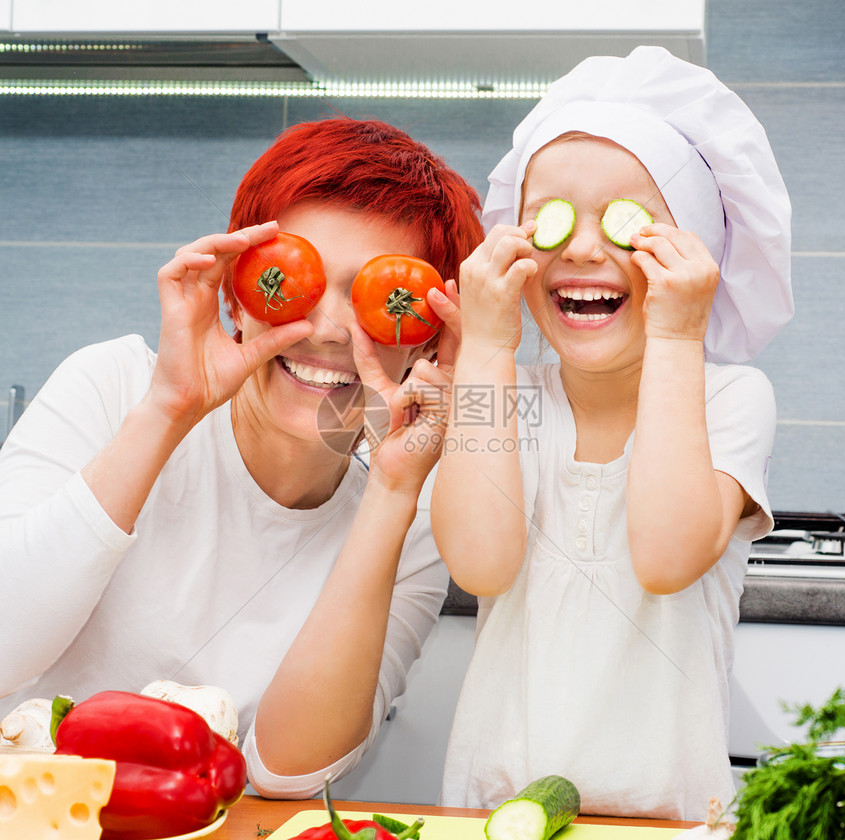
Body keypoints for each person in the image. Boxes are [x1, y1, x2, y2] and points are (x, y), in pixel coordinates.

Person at [0, 117, 483, 797]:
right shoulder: (112, 389)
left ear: (429, 346)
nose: (328, 330)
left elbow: (289, 772)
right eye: (292, 279)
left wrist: (397, 491)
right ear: (236, 290)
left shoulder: (409, 525)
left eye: (383, 300)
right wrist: (168, 410)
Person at [432, 47, 794, 820]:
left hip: (667, 817)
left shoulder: (730, 396)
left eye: (627, 221)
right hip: (492, 810)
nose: (584, 246)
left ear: (692, 250)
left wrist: (677, 336)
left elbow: (666, 558)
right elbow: (480, 562)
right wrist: (488, 350)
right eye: (554, 217)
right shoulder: (503, 390)